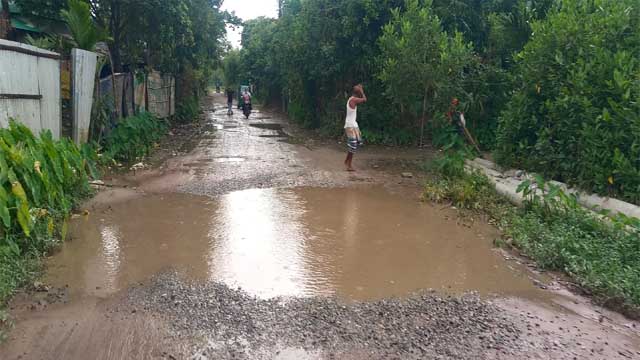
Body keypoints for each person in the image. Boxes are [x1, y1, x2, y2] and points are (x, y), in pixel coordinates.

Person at [344, 84, 367, 171]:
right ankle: (348, 164)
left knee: (356, 143)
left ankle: (347, 161)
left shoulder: (352, 99)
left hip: (353, 124)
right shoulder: (353, 100)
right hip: (350, 125)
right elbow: (365, 99)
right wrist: (362, 91)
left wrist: (360, 89)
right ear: (358, 93)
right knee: (353, 145)